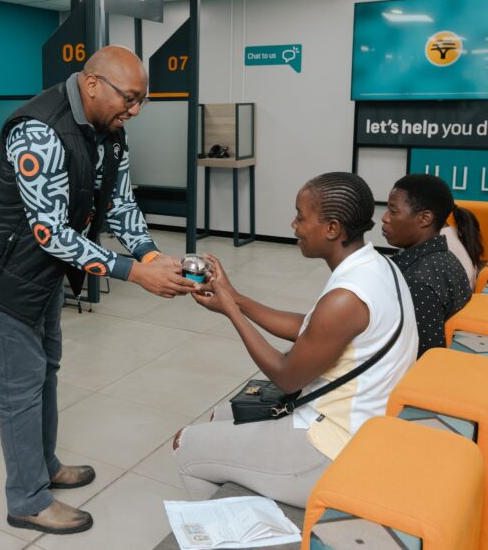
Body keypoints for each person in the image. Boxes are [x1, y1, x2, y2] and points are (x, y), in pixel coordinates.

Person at [0, 45, 197, 534]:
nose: (136, 110)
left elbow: (121, 203)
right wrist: (131, 272)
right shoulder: (39, 131)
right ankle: (26, 498)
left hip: (41, 269)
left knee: (47, 369)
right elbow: (51, 232)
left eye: (142, 100)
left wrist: (148, 253)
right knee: (20, 385)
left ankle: (44, 466)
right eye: (130, 98)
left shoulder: (109, 130)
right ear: (91, 85)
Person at [172, 172, 418, 507]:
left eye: (301, 218)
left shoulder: (346, 297)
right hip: (358, 424)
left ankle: (232, 531)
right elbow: (312, 327)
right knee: (221, 416)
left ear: (332, 228)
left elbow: (286, 376)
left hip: (333, 448)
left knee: (185, 444)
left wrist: (231, 312)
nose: (294, 225)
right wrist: (237, 298)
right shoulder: (378, 266)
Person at [382, 174, 477, 355]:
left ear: (425, 218)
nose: (385, 218)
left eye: (393, 212)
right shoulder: (446, 258)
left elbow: (423, 357)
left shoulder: (418, 281)